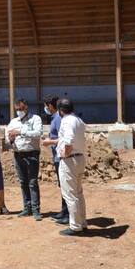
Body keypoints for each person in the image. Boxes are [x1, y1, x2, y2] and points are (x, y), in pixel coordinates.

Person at [6, 98, 44, 221]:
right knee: (23, 182)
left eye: (21, 109)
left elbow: (38, 133)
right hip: (18, 154)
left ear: (26, 107)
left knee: (32, 182)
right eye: (17, 109)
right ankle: (27, 207)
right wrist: (10, 139)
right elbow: (7, 138)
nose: (19, 111)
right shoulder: (13, 122)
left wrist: (20, 132)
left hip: (32, 154)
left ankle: (36, 209)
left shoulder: (35, 119)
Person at [55, 98, 88, 236]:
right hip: (79, 158)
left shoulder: (67, 121)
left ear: (60, 110)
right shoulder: (78, 120)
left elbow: (69, 140)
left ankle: (75, 226)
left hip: (70, 160)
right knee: (78, 193)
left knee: (70, 194)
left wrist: (65, 154)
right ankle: (82, 222)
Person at [41, 95, 69, 223]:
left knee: (65, 186)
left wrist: (50, 142)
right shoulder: (55, 117)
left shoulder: (58, 118)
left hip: (60, 157)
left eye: (46, 106)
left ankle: (67, 214)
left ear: (50, 106)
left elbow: (62, 138)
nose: (45, 108)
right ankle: (64, 211)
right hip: (57, 156)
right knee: (62, 185)